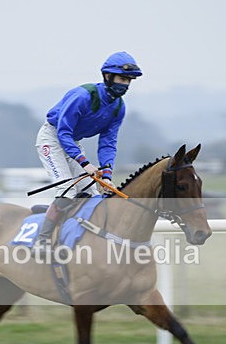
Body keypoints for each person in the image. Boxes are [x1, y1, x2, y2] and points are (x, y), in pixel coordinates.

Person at [33, 51, 143, 252]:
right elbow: (63, 132)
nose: (125, 84)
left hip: (73, 143)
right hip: (52, 138)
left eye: (129, 80)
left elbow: (108, 143)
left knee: (92, 194)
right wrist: (84, 163)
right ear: (107, 76)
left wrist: (107, 175)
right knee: (67, 190)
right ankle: (42, 240)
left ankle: (76, 237)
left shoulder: (119, 108)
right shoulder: (83, 96)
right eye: (122, 79)